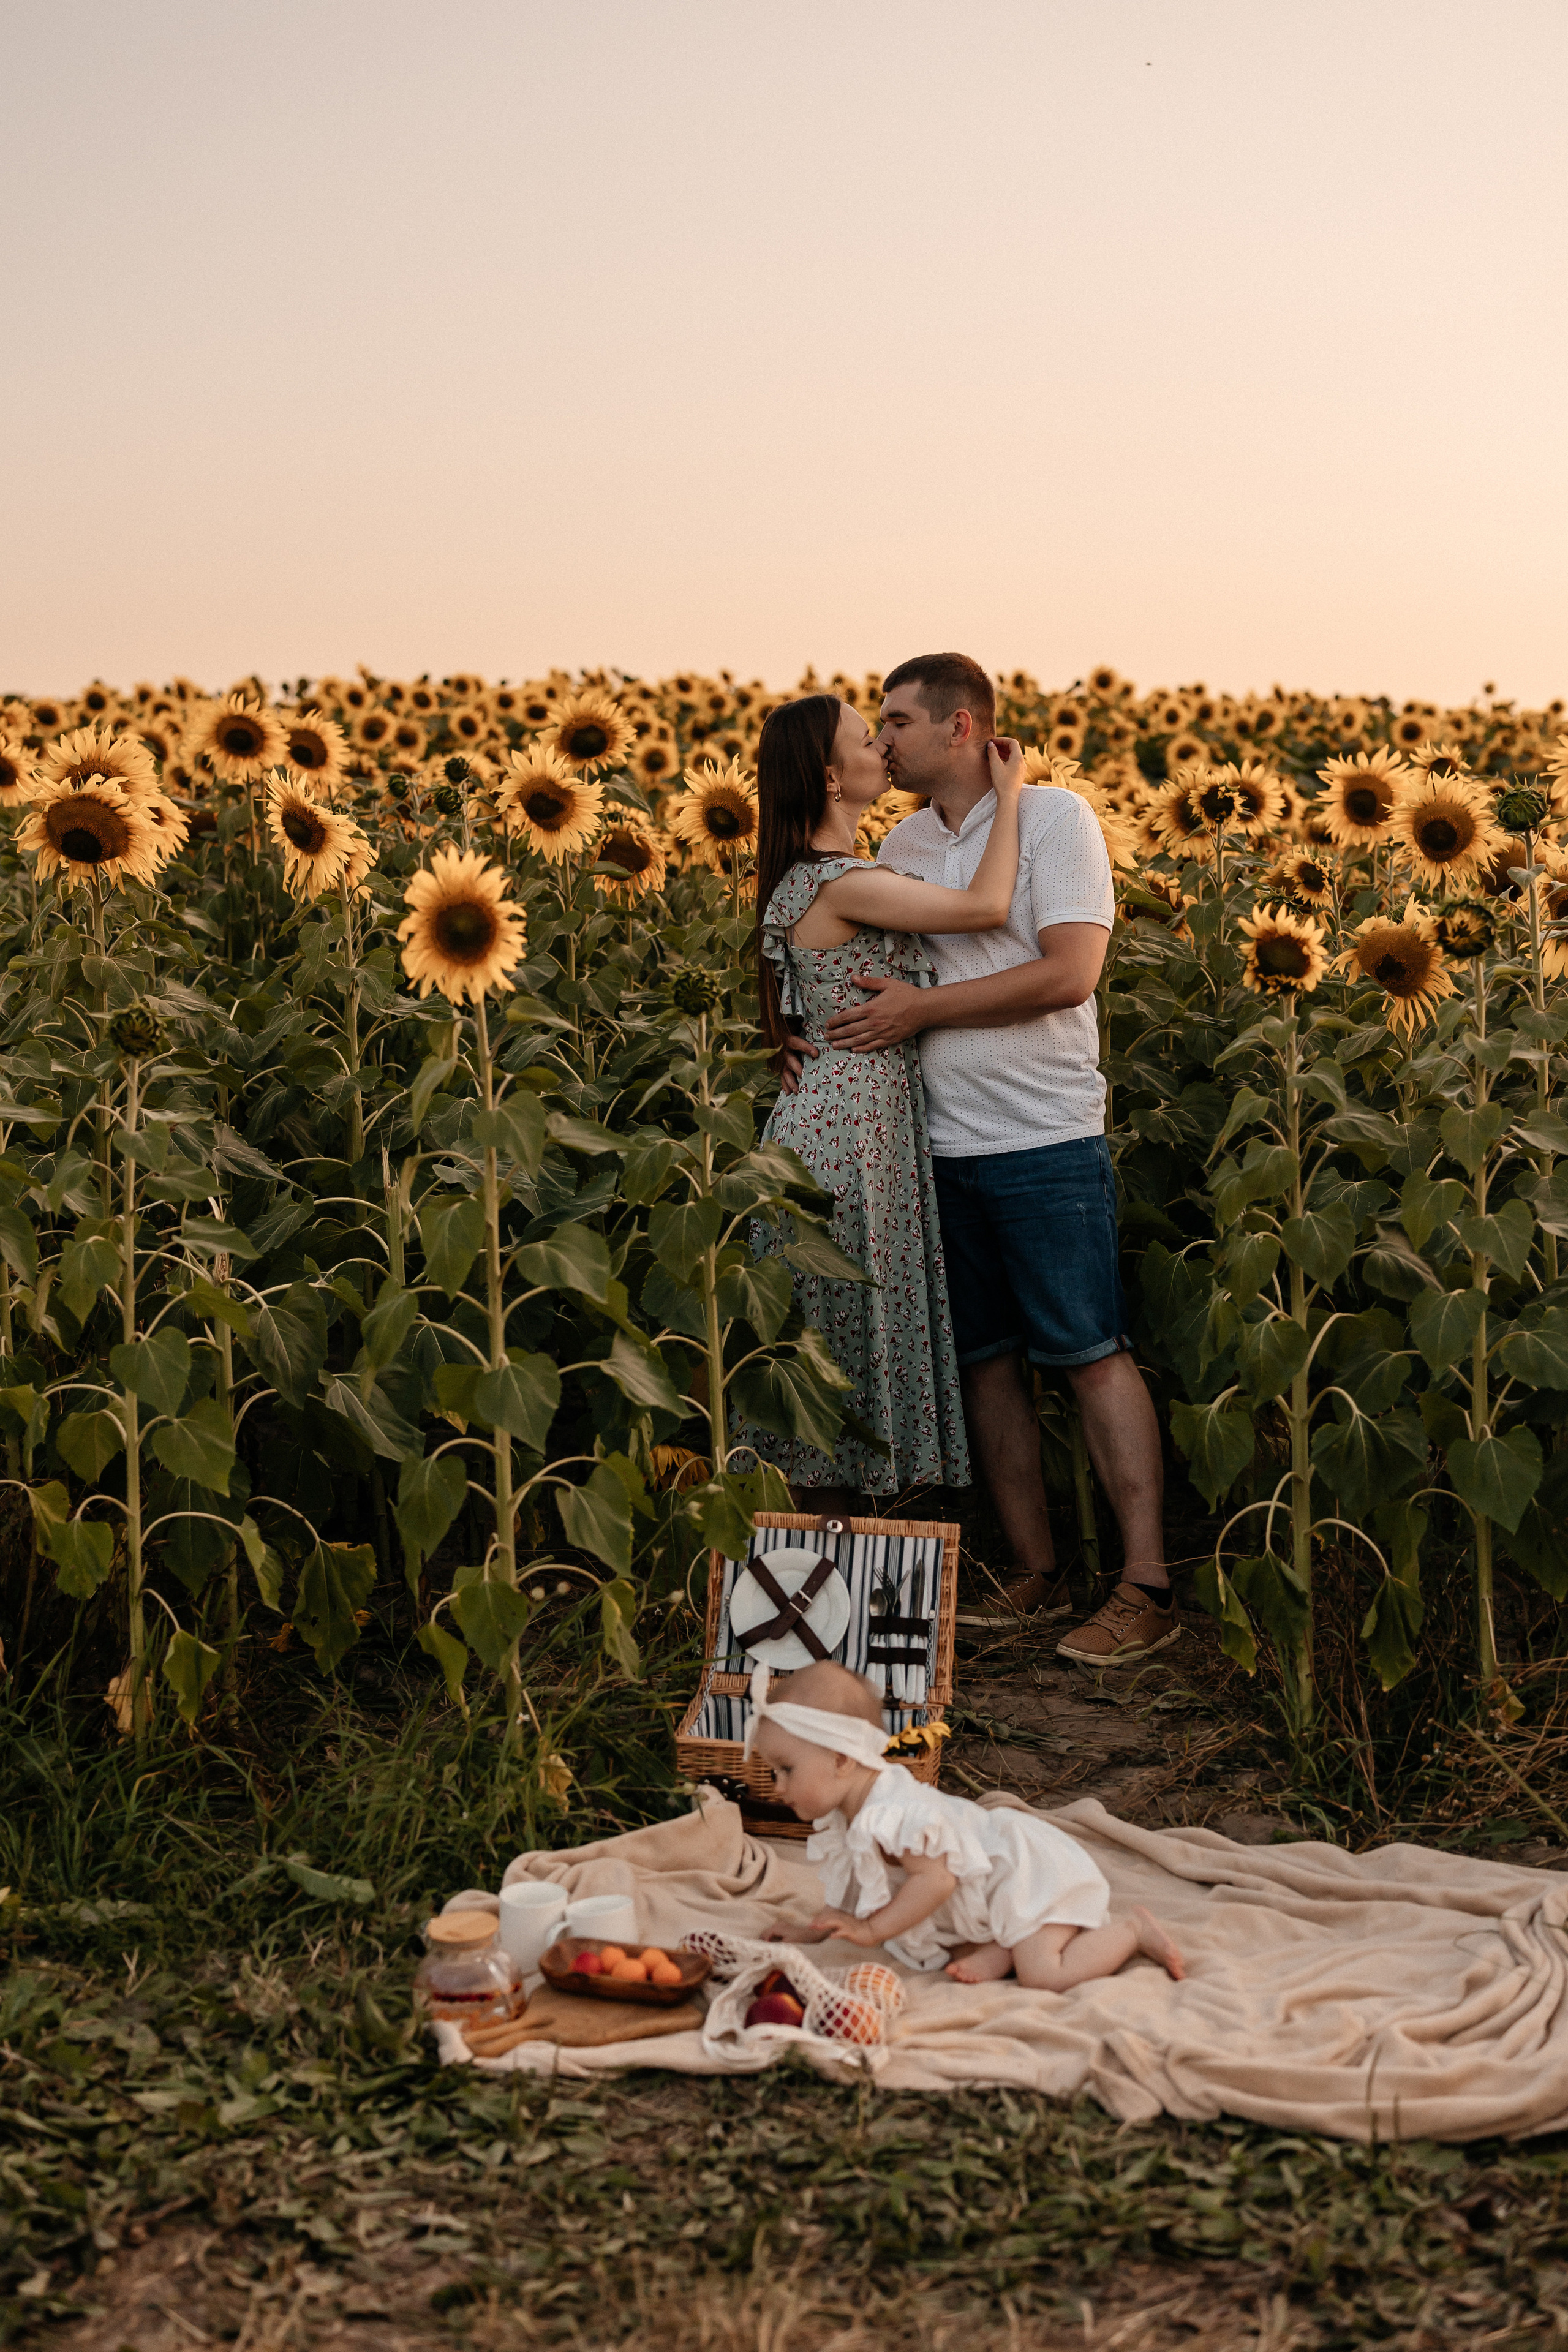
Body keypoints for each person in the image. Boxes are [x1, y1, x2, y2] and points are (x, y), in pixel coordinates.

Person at [783, 652, 1174, 1667]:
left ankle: (1143, 1583)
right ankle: (1036, 1572)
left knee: (1088, 1352)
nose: (886, 739)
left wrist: (922, 1010)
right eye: (876, 726)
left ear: (962, 728)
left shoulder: (1056, 820)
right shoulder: (905, 840)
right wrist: (793, 1026)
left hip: (1041, 1134)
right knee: (988, 1366)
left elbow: (1068, 973)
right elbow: (826, 949)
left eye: (900, 722)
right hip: (934, 1145)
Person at [741, 693, 1025, 1513]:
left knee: (831, 1341)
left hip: (832, 1123)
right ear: (834, 779)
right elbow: (986, 908)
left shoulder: (808, 877)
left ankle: (822, 1586)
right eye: (868, 741)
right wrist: (1009, 801)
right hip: (852, 1140)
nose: (884, 749)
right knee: (843, 1345)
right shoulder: (843, 882)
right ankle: (827, 1580)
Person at [750, 1660, 1184, 1989]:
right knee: (925, 1942)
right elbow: (861, 1885)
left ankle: (1131, 1930)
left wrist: (871, 1929)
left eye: (785, 1769)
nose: (777, 1787)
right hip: (985, 1884)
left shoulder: (895, 1811)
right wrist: (812, 1933)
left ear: (841, 1760)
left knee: (1043, 1974)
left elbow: (936, 1882)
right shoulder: (855, 1809)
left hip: (1024, 1872)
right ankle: (1001, 1945)